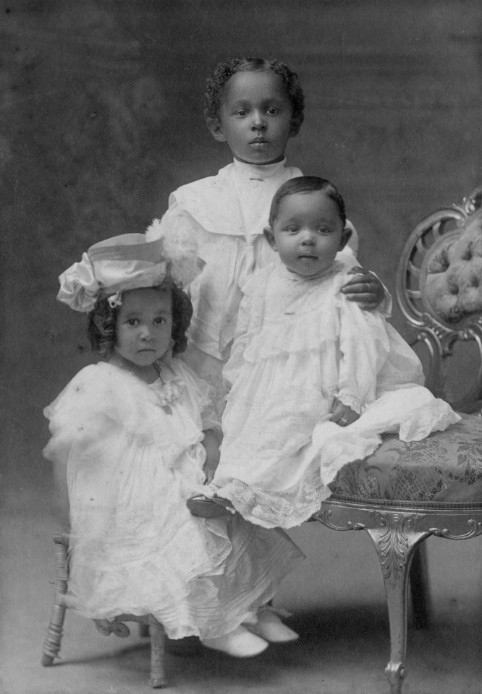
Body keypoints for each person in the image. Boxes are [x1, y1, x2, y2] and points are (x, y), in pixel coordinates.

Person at [42, 229, 304, 658]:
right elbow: (73, 456)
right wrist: (77, 520)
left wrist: (211, 452)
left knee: (231, 506)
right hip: (129, 502)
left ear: (174, 323)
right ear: (109, 326)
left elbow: (206, 422)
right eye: (133, 322)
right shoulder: (101, 384)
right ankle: (210, 624)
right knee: (188, 523)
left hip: (187, 475)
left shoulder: (176, 374)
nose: (148, 334)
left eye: (159, 321)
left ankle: (248, 609)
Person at [188, 177, 460, 528]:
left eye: (323, 229)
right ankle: (230, 488)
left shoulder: (346, 281)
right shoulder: (263, 285)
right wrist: (237, 389)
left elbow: (363, 343)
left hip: (328, 387)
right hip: (273, 388)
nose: (307, 238)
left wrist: (351, 395)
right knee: (250, 430)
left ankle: (241, 489)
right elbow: (248, 344)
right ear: (272, 239)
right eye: (292, 229)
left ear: (343, 238)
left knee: (292, 432)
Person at [147, 57, 387, 415]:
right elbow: (163, 288)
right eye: (242, 113)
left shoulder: (313, 207)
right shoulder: (193, 204)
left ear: (294, 121)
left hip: (281, 364)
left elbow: (342, 284)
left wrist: (374, 292)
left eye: (272, 110)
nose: (258, 123)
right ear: (217, 126)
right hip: (201, 357)